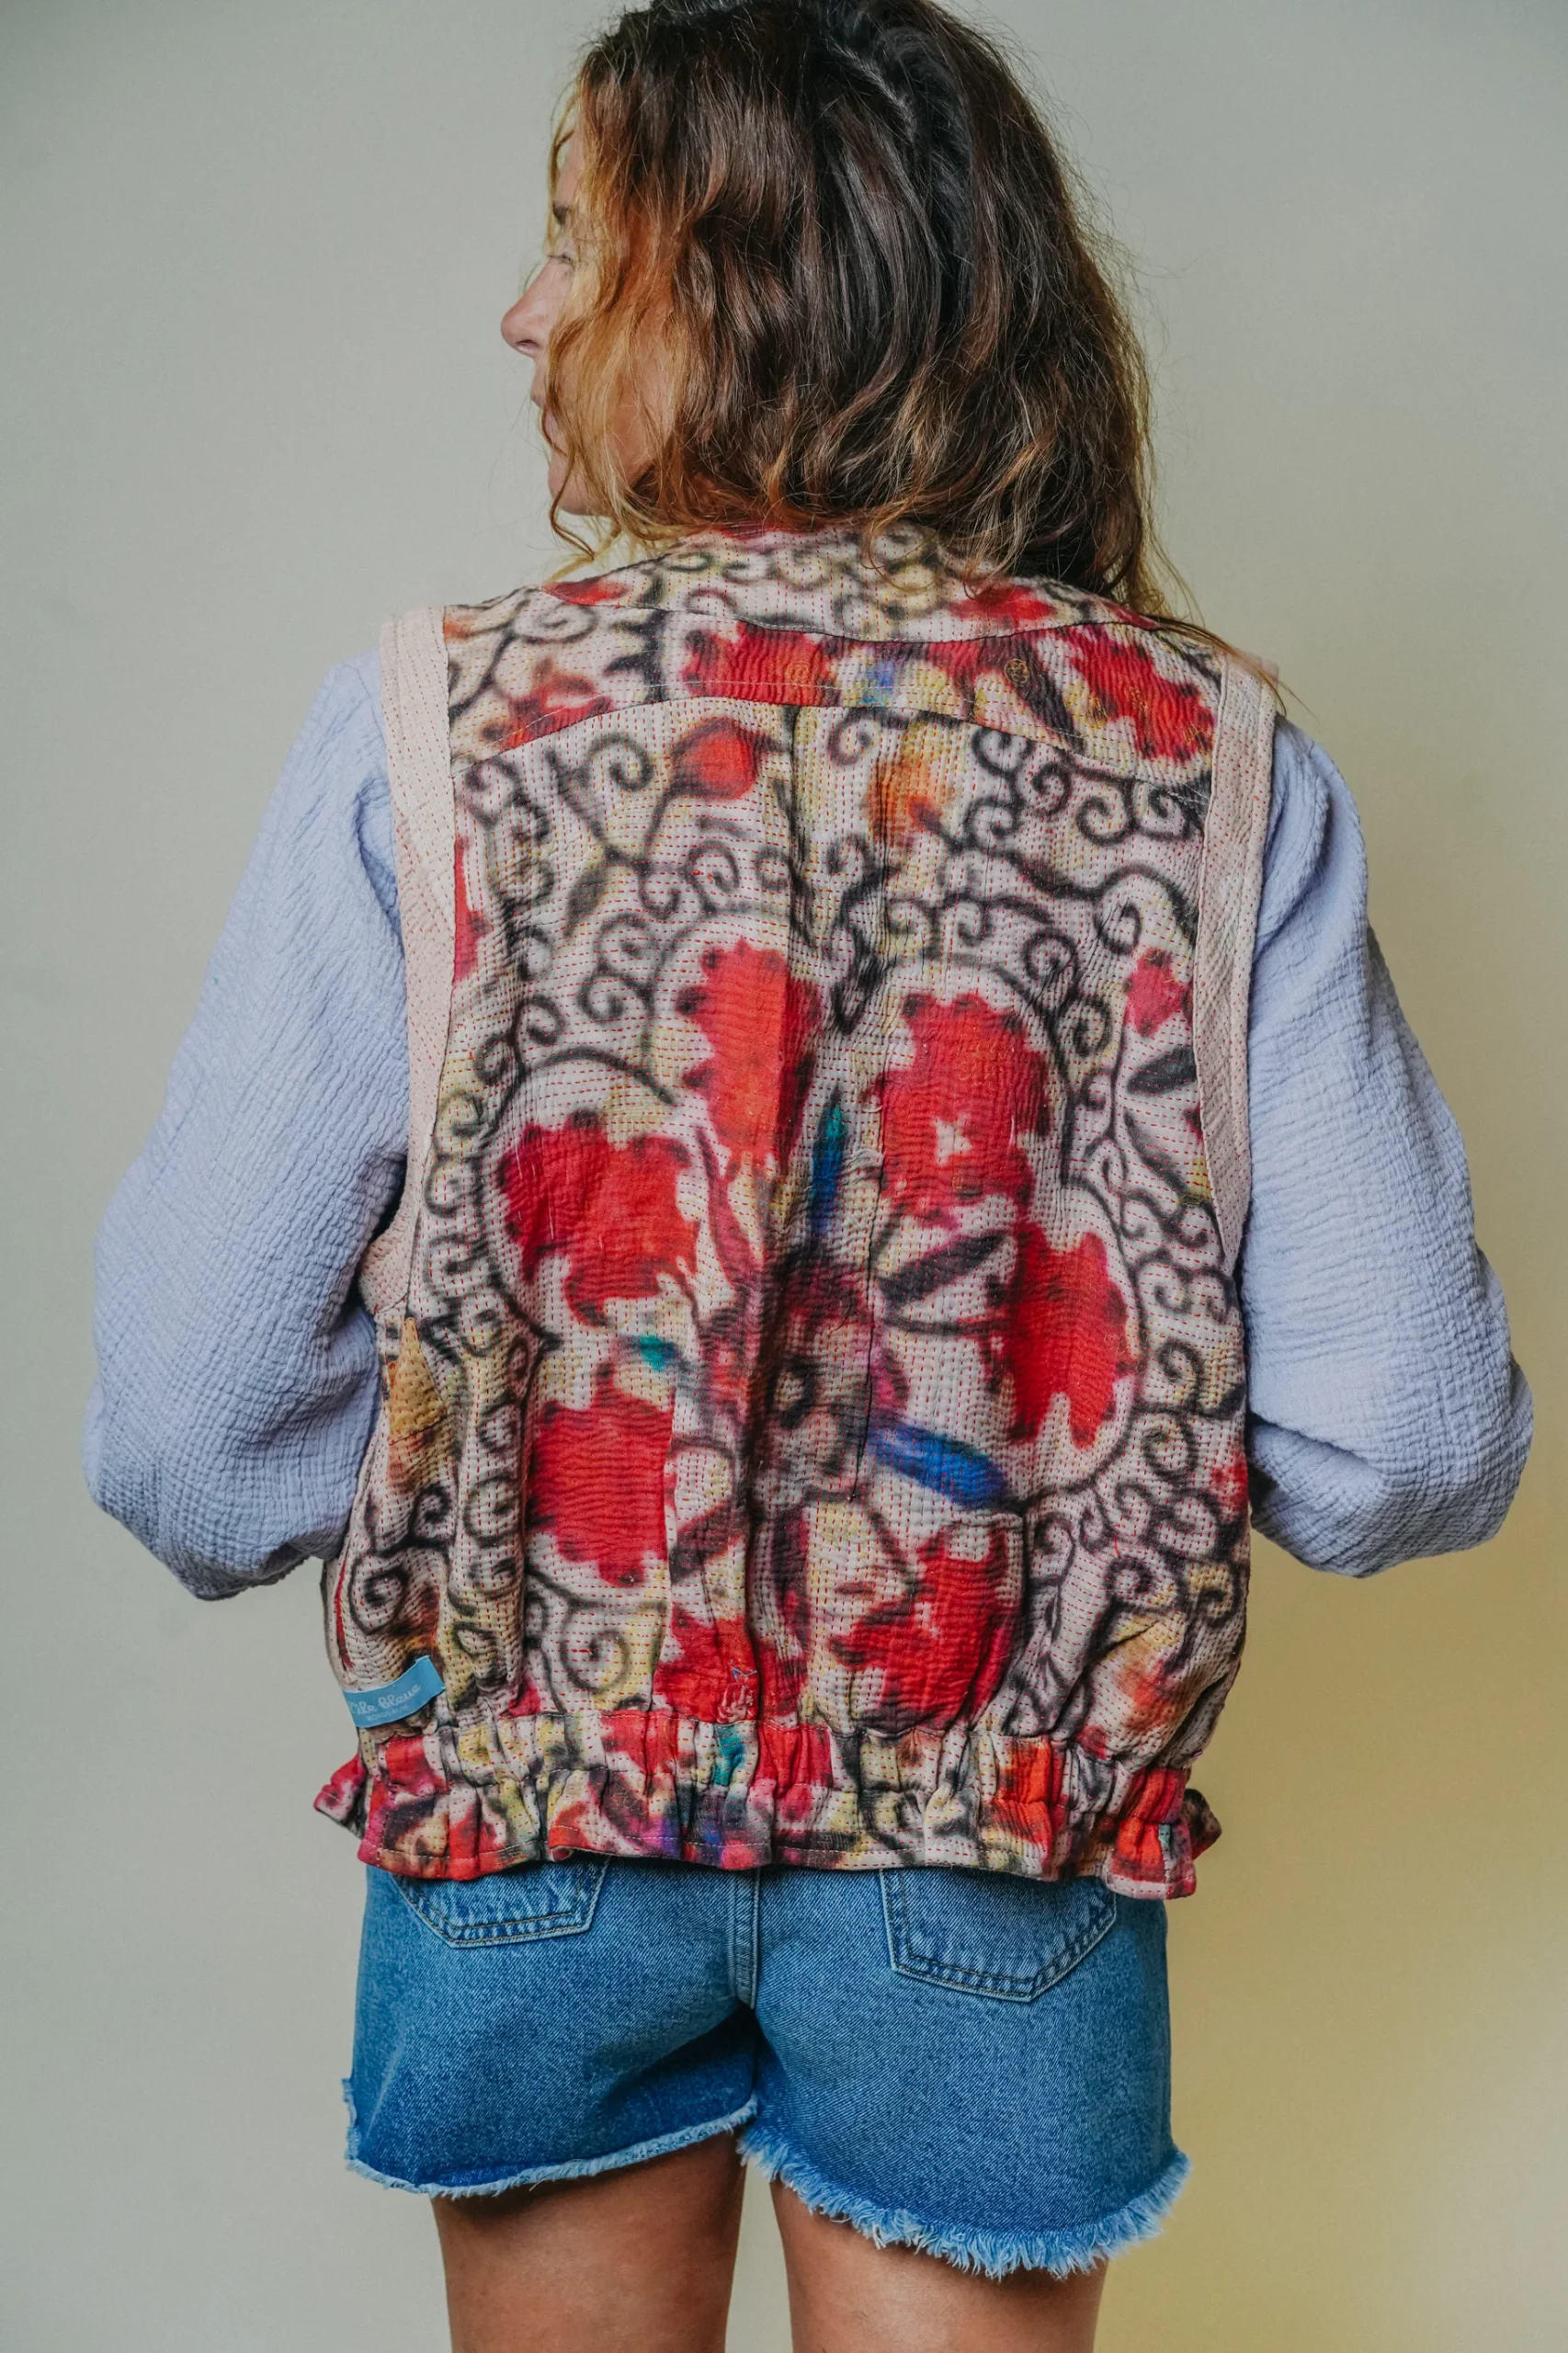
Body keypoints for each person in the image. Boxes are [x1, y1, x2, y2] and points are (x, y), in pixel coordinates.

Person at [84, 4, 1531, 2348]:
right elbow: (1410, 1444)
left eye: (577, 242)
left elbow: (185, 1424)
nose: (522, 312)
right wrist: (1083, 1487)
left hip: (534, 1794)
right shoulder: (1205, 756)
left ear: (744, 275)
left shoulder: (427, 730)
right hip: (997, 1825)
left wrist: (482, 1516)